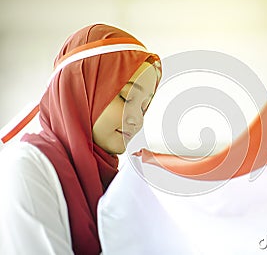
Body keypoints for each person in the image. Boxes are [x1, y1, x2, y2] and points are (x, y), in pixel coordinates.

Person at [0, 24, 161, 255]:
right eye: (125, 97)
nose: (137, 119)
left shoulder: (117, 185)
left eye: (144, 107)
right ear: (79, 91)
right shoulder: (25, 167)